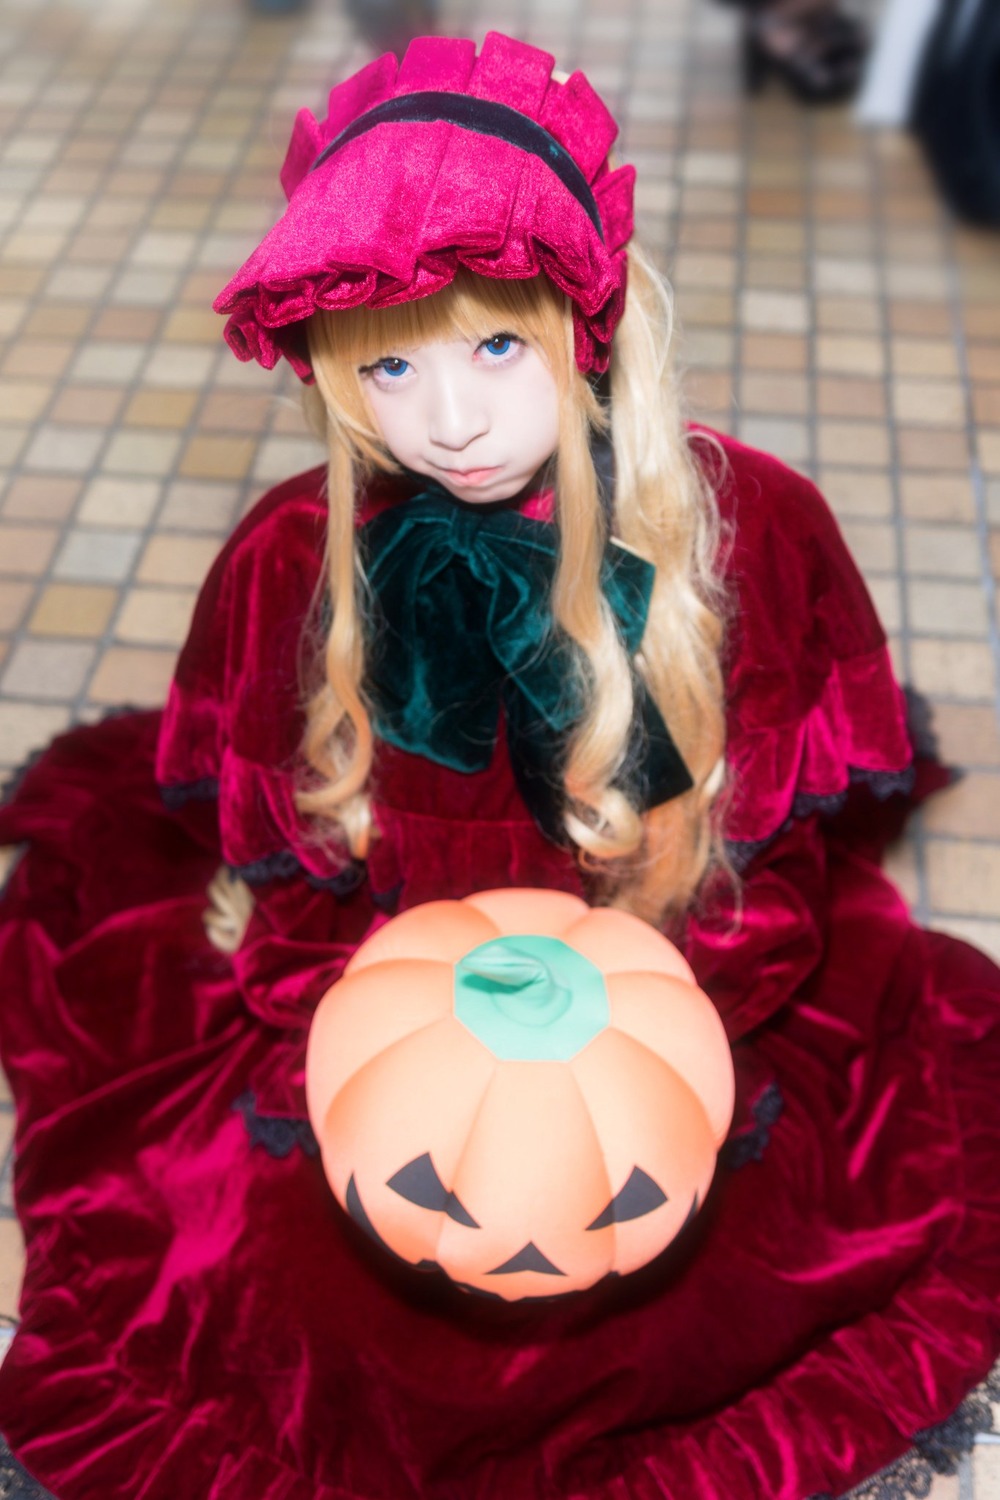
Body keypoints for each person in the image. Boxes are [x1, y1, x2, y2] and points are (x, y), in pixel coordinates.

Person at [1, 30, 999, 1500]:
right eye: (389, 366)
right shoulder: (292, 559)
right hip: (393, 993)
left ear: (585, 328)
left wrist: (630, 1038)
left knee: (702, 1285)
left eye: (495, 345)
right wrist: (361, 1040)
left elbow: (762, 879)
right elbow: (291, 877)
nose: (450, 421)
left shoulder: (753, 534)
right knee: (295, 1330)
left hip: (666, 981)